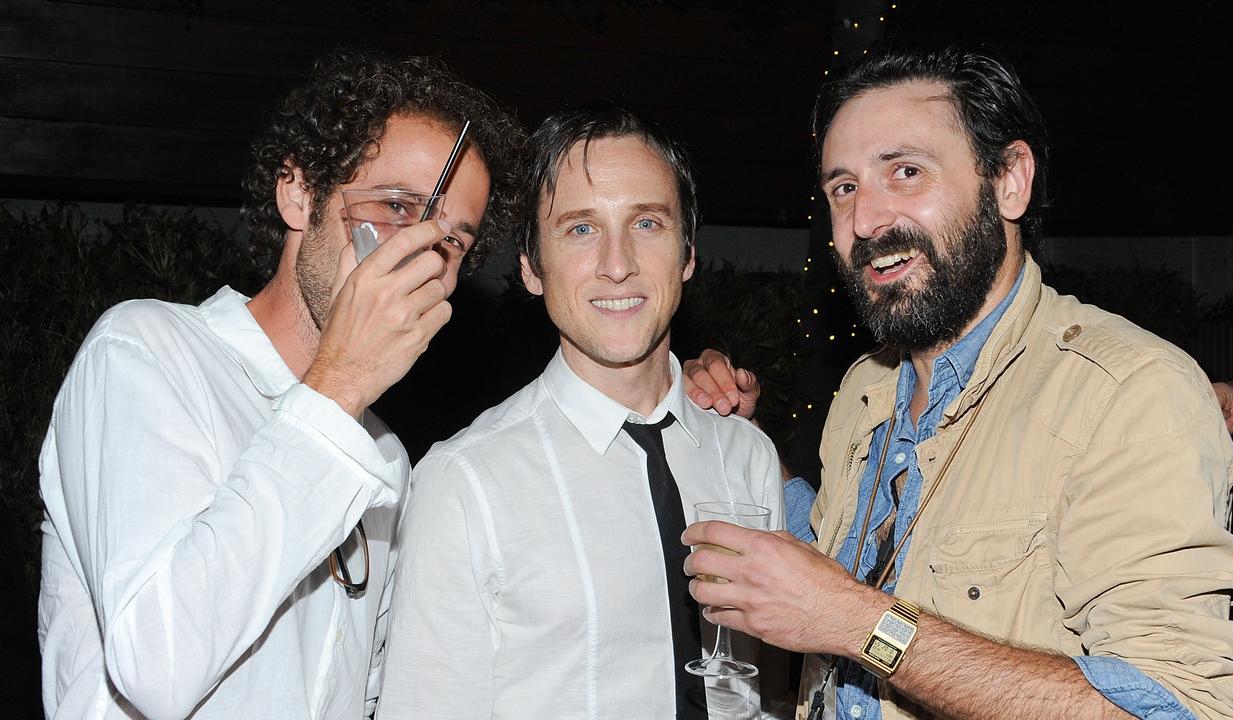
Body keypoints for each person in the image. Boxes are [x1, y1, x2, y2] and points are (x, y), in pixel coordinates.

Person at [681, 44, 1233, 720]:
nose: (865, 221)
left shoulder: (1128, 393)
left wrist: (855, 622)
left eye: (905, 171)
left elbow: (1166, 709)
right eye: (843, 187)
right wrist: (738, 435)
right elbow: (854, 562)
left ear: (1010, 181)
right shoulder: (865, 389)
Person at [37, 47, 522, 720]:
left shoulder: (387, 460)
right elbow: (155, 664)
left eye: (452, 242)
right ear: (297, 192)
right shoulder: (149, 352)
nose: (420, 256)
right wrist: (339, 388)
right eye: (395, 206)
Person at [377, 103, 786, 719]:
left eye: (646, 224)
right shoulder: (465, 482)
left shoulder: (747, 456)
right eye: (580, 229)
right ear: (531, 269)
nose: (617, 264)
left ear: (688, 254)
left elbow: (767, 695)